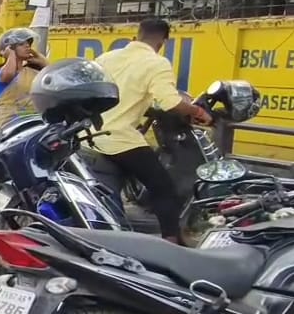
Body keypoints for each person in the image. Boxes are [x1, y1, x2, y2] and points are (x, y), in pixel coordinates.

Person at [87, 18, 211, 243]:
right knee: (163, 188)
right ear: (164, 40)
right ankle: (170, 243)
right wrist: (198, 112)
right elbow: (171, 103)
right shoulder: (157, 63)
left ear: (137, 34)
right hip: (119, 138)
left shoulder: (107, 57)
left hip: (88, 136)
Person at [0, 27, 48, 132]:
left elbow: (51, 75)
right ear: (9, 48)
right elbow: (9, 74)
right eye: (21, 44)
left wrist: (40, 59)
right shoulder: (2, 72)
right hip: (6, 126)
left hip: (31, 124)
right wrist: (11, 54)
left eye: (28, 44)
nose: (27, 46)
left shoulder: (32, 72)